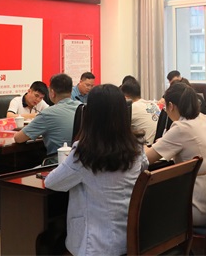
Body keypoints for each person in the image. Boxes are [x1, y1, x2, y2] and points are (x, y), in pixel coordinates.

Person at [45, 84, 148, 255]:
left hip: (95, 245)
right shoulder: (136, 146)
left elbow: (52, 182)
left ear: (90, 114)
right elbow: (144, 168)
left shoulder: (85, 152)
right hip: (130, 239)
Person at [146, 82, 206, 227]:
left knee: (146, 199)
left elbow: (146, 159)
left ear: (171, 106)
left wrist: (140, 147)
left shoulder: (181, 127)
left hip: (195, 207)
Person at [14, 74, 80, 155]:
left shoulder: (47, 114)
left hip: (58, 160)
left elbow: (18, 138)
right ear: (71, 91)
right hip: (83, 158)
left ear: (52, 93)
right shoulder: (82, 107)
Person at [122, 78, 159, 145]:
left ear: (125, 98)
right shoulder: (153, 104)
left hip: (145, 147)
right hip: (157, 145)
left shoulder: (131, 108)